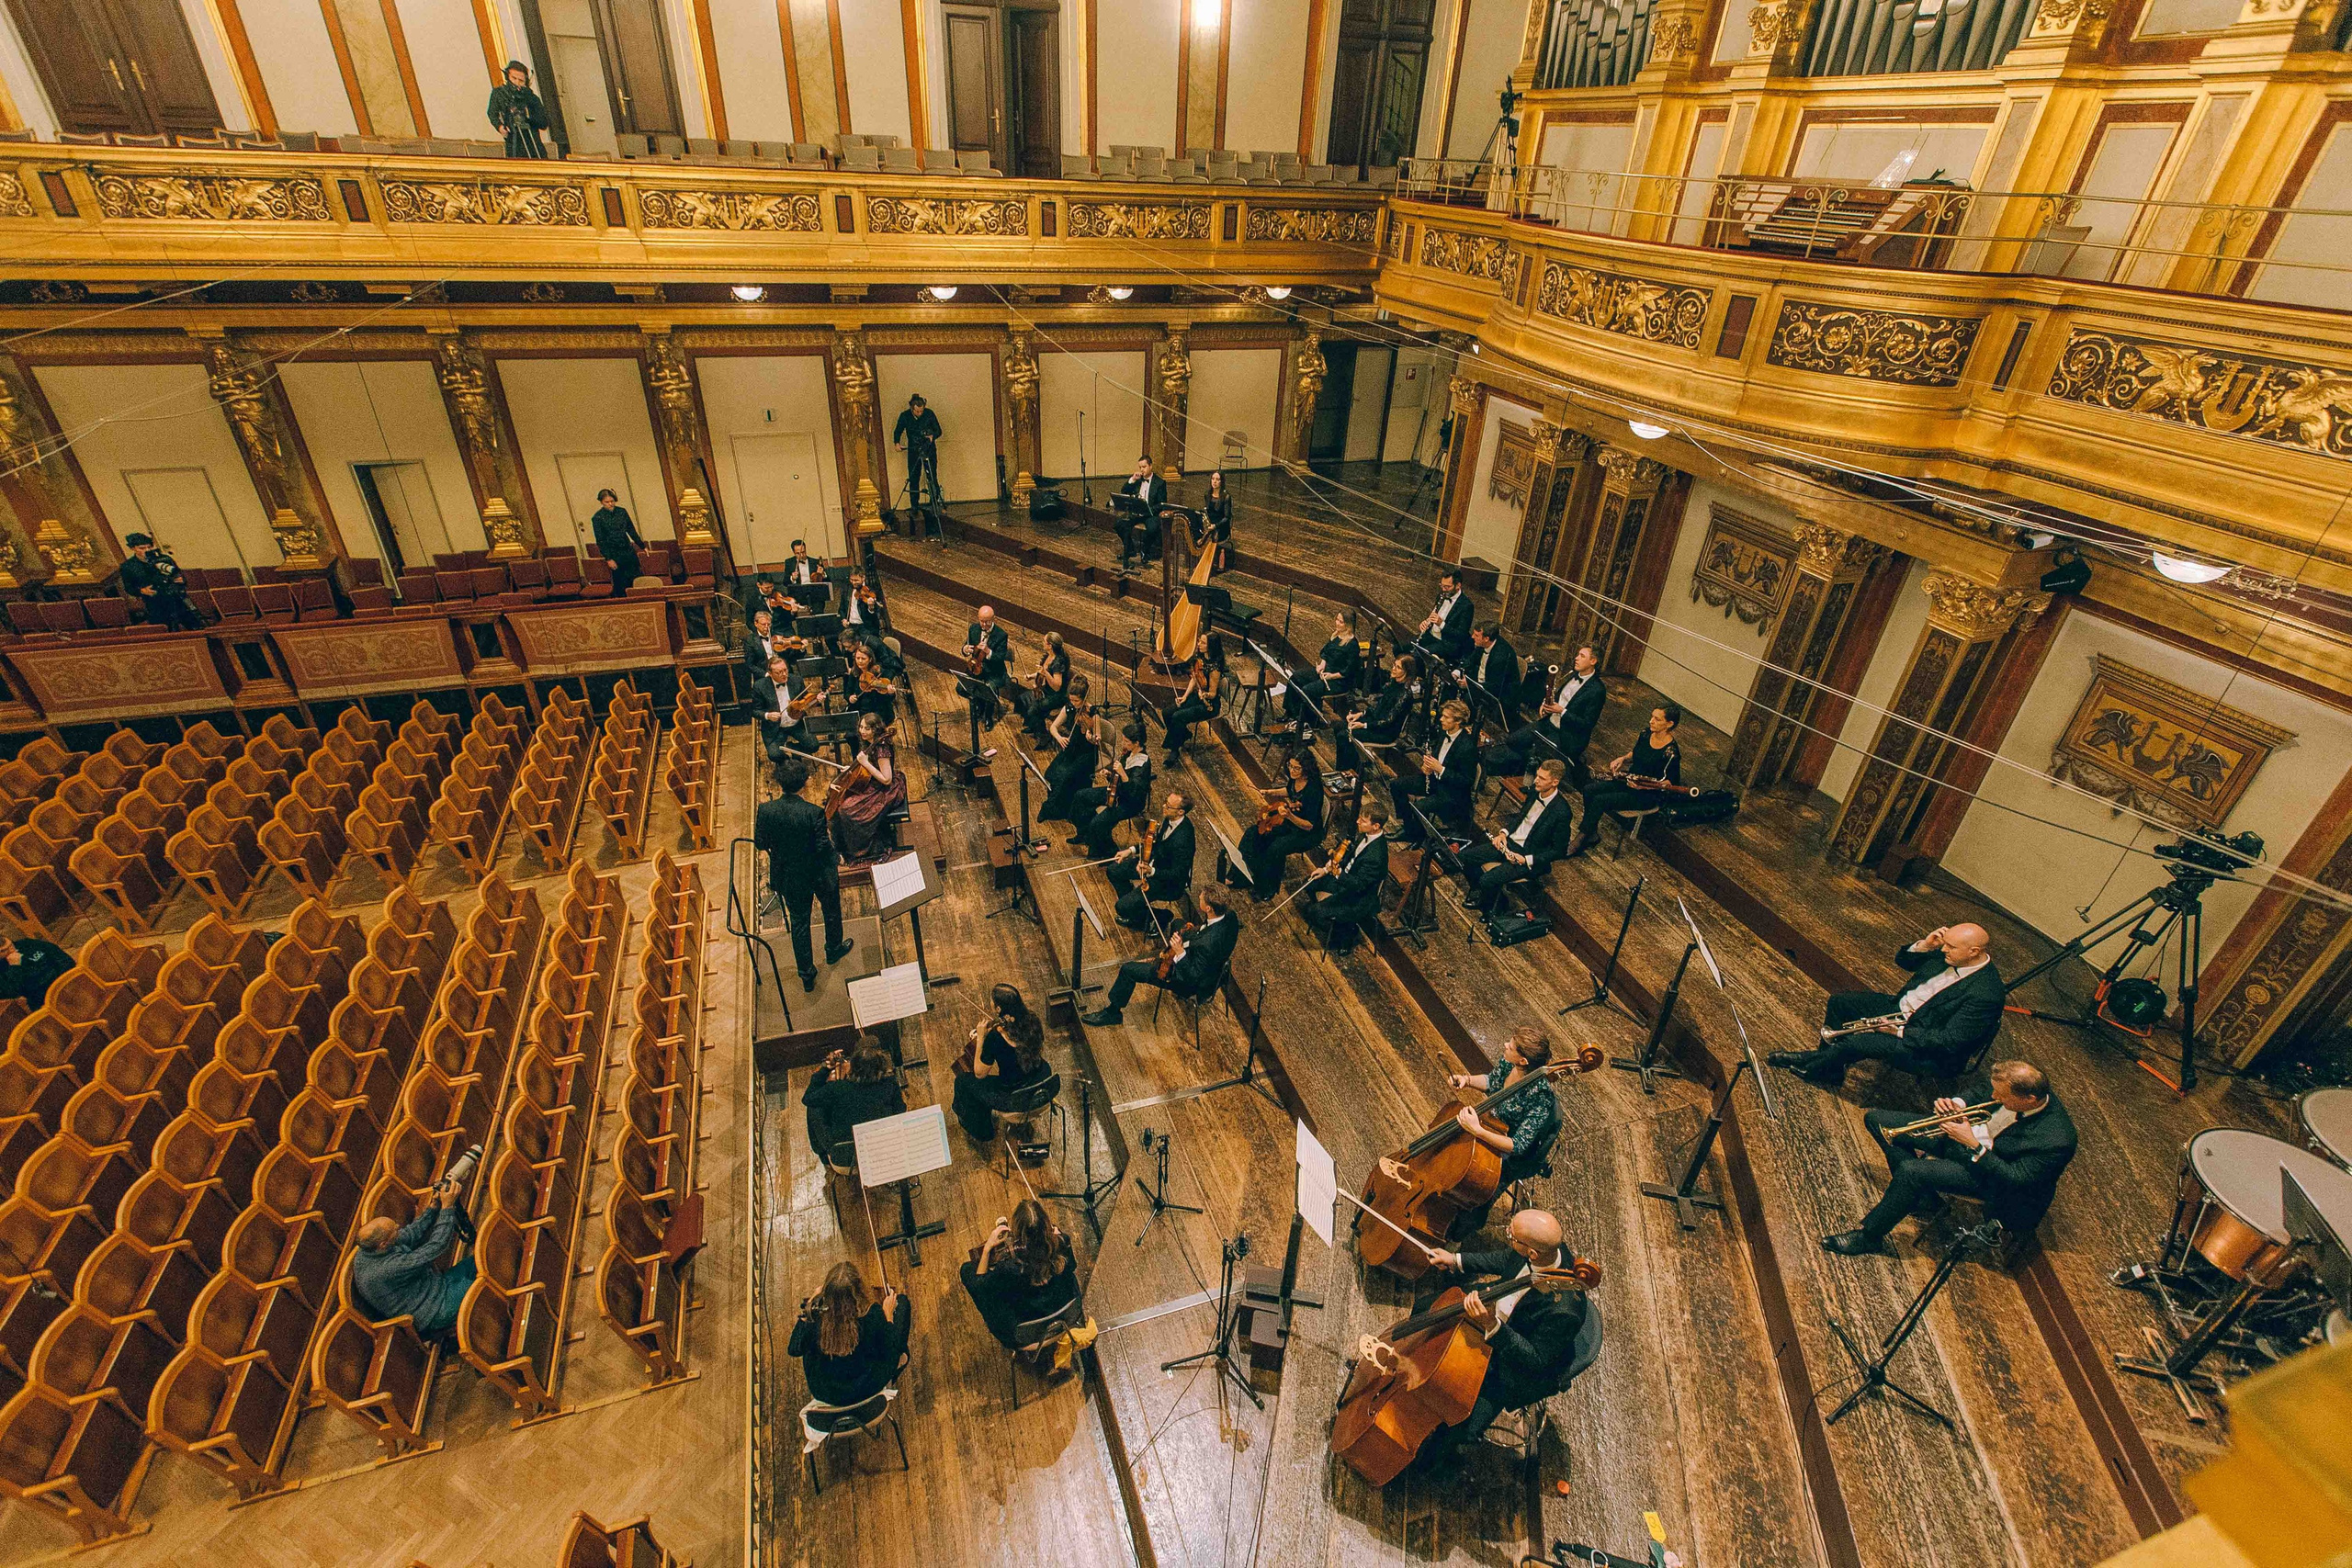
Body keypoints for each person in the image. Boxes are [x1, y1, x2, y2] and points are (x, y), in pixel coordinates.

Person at [1822, 1059, 2078, 1257]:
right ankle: (1921, 1197)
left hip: (1991, 1176)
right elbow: (1980, 1091)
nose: (1994, 1098)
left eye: (2002, 1097)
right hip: (1967, 1140)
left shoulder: (2057, 1140)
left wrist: (1974, 1145)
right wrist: (1957, 1103)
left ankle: (1870, 1237)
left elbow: (2016, 1178)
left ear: (2029, 1100)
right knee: (1878, 1120)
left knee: (1913, 1172)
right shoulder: (2018, 1087)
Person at [1409, 1209, 1590, 1470]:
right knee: (1428, 1308)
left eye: (1511, 1236)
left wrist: (1492, 1326)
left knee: (1460, 1422)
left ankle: (1433, 1466)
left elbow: (1534, 1358)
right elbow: (1507, 1259)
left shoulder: (1564, 1313)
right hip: (1496, 1310)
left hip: (1511, 1364)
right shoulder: (1543, 1251)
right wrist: (1455, 1259)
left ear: (1533, 1254)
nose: (1508, 1237)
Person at [1770, 924, 2005, 1087]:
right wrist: (1925, 944)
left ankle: (1817, 1064)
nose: (1944, 949)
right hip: (1900, 1009)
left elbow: (1951, 1041)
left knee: (1859, 1041)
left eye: (1950, 947)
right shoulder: (1949, 951)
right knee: (1841, 1002)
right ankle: (1828, 1066)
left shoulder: (1986, 994)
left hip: (1924, 1043)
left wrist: (1899, 1031)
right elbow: (1903, 961)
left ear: (1974, 951)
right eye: (1945, 944)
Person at [1437, 1027, 1561, 1237]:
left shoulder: (1541, 1098)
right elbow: (1492, 1082)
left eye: (1511, 1046)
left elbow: (1518, 1145)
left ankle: (1457, 1237)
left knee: (1477, 1196)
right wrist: (1467, 1080)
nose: (1505, 1046)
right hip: (1489, 1126)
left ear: (1523, 1061)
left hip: (1511, 1154)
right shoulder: (1509, 1063)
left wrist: (1477, 1131)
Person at [754, 757, 857, 990]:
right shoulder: (813, 813)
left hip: (789, 875)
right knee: (831, 910)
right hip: (818, 872)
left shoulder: (766, 810)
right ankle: (833, 950)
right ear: (804, 784)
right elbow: (822, 846)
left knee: (800, 923)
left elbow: (760, 843)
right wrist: (838, 858)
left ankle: (807, 975)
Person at [1082, 882, 1238, 1026]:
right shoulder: (1230, 916)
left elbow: (1192, 976)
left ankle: (1112, 1013)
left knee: (1128, 970)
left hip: (1192, 983)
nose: (1199, 897)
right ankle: (1166, 945)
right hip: (1210, 964)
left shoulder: (1208, 944)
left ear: (1209, 908)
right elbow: (1208, 938)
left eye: (1202, 897)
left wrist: (1180, 952)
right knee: (1177, 923)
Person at [351, 1168, 475, 1346]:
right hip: (434, 1309)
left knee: (482, 1260)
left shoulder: (374, 1247)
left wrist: (434, 1208)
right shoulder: (386, 1269)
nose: (399, 1227)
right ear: (383, 1244)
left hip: (438, 1285)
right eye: (394, 1230)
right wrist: (447, 1208)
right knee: (485, 1286)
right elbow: (436, 1247)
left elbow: (411, 1233)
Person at [1566, 703, 1696, 857]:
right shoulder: (1646, 733)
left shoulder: (1671, 752)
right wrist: (1622, 759)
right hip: (1630, 780)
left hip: (1647, 794)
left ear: (1669, 724)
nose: (1651, 721)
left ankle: (1581, 838)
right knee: (1589, 789)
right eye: (1652, 717)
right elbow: (1636, 752)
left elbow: (1669, 783)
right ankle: (1591, 832)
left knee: (1600, 800)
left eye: (1657, 719)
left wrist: (1645, 787)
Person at [1456, 758, 1577, 916]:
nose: (1536, 780)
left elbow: (1559, 850)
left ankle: (1493, 905)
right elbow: (1520, 816)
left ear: (1555, 782)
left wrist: (1526, 860)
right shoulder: (1535, 791)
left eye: (1542, 778)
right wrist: (1503, 833)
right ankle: (1480, 890)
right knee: (1464, 857)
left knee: (1489, 879)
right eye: (1537, 775)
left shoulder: (1562, 812)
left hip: (1528, 857)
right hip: (1510, 843)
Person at [961, 1200, 1079, 1348]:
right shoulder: (1062, 1242)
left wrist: (987, 1249)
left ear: (1017, 1232)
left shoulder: (1009, 1268)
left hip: (1025, 1336)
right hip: (1065, 1318)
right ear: (1046, 1225)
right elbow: (1072, 1266)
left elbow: (980, 1288)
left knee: (966, 1270)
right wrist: (1060, 1237)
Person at [790, 1261, 909, 1408]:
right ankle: (893, 1375)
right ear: (859, 1291)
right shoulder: (872, 1315)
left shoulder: (816, 1319)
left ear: (826, 1291)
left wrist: (810, 1308)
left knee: (809, 1347)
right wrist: (888, 1316)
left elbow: (794, 1349)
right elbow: (889, 1348)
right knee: (902, 1303)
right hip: (868, 1388)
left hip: (826, 1393)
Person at [1485, 646, 1603, 783]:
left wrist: (1561, 711)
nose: (1576, 658)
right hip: (1549, 723)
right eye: (1578, 654)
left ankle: (1531, 779)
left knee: (1543, 757)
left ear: (1593, 661)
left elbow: (1586, 724)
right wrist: (1545, 704)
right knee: (1513, 740)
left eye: (1582, 656)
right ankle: (1520, 770)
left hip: (1566, 735)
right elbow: (1559, 698)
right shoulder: (1573, 674)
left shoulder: (1597, 691)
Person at [950, 984, 1052, 1142]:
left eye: (992, 1002)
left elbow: (979, 1073)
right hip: (1041, 1083)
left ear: (998, 1009)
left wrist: (982, 1038)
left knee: (963, 1082)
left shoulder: (996, 1038)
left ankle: (983, 1132)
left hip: (1014, 1095)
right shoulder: (1033, 1021)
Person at [1232, 749, 1325, 901]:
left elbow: (1309, 825)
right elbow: (1289, 790)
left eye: (1296, 768)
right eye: (1290, 765)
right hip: (1291, 822)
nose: (1292, 770)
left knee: (1276, 848)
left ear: (1306, 768)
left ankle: (1268, 889)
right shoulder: (1295, 778)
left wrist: (1289, 815)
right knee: (1255, 832)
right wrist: (1270, 791)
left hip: (1307, 833)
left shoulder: (1314, 790)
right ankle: (1242, 874)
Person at [1300, 800, 1390, 953]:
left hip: (1358, 896)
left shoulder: (1376, 856)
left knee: (1313, 913)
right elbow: (1348, 856)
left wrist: (1338, 874)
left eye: (1363, 820)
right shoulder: (1366, 835)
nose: (1357, 821)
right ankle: (1332, 915)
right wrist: (1325, 869)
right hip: (1344, 879)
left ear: (1376, 826)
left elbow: (1358, 885)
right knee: (1309, 883)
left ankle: (1347, 933)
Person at [1388, 698, 1477, 845]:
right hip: (1435, 780)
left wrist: (1440, 769)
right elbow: (1437, 757)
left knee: (1420, 806)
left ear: (1458, 721)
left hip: (1451, 792)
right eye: (1442, 715)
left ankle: (1418, 836)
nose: (1441, 719)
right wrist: (1427, 767)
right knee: (1397, 785)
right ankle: (1409, 828)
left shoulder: (1468, 747)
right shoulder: (1444, 733)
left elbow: (1466, 781)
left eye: (1446, 717)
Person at [1105, 789, 1193, 931]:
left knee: (1121, 907)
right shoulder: (1170, 818)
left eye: (1169, 806)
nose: (1164, 806)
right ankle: (1133, 909)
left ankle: (1162, 916)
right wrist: (1130, 850)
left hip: (1166, 880)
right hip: (1153, 863)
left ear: (1181, 812)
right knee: (1113, 870)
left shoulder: (1184, 840)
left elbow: (1178, 874)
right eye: (1166, 802)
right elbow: (1155, 843)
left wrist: (1151, 871)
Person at [804, 1041, 905, 1159]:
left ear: (852, 1066)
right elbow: (900, 1110)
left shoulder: (837, 1088)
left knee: (814, 1108)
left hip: (846, 1156)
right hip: (883, 1149)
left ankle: (824, 1156)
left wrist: (825, 1070)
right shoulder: (890, 1084)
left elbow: (807, 1099)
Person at [830, 712, 907, 863]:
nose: (862, 731)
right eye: (861, 727)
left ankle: (866, 849)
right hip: (871, 782)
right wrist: (853, 768)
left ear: (876, 729)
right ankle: (843, 844)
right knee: (840, 800)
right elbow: (868, 765)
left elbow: (886, 779)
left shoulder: (882, 748)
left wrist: (864, 763)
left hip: (884, 789)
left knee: (847, 810)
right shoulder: (871, 741)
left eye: (867, 729)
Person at [1069, 721, 1151, 861]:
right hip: (1116, 791)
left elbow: (1134, 792)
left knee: (1099, 822)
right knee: (1080, 796)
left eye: (1126, 741)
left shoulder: (1143, 763)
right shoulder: (1129, 753)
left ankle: (1108, 852)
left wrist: (1122, 773)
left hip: (1129, 802)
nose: (1123, 744)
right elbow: (1118, 775)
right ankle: (1084, 834)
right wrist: (1110, 774)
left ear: (1136, 743)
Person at [1284, 612, 1362, 730]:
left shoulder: (1352, 645)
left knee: (1309, 690)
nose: (1337, 623)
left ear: (1348, 625)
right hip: (1325, 672)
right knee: (1296, 677)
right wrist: (1321, 664)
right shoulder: (1336, 636)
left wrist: (1331, 676)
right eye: (1337, 619)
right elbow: (1326, 652)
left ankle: (1310, 722)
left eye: (1341, 622)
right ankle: (1292, 712)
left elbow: (1348, 671)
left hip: (1338, 680)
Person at [1038, 677, 1098, 824]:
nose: (1074, 704)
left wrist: (1091, 736)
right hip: (1071, 749)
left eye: (1077, 701)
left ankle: (1053, 809)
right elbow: (1053, 727)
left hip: (1087, 754)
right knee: (1052, 773)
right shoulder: (1069, 708)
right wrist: (1059, 738)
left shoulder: (1093, 713)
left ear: (1084, 698)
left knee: (1066, 777)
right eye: (1072, 700)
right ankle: (1059, 807)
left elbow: (1097, 739)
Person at [119, 534, 203, 632]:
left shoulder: (164, 559)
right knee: (165, 631)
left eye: (149, 547)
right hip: (155, 603)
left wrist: (181, 580)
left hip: (177, 598)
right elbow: (129, 587)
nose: (146, 550)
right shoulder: (128, 566)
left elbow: (179, 574)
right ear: (133, 548)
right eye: (141, 548)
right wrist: (141, 590)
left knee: (196, 627)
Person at [1161, 637, 1224, 756]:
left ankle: (1174, 751)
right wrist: (1185, 696)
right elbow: (1194, 679)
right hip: (1197, 697)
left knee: (1178, 716)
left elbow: (1213, 694)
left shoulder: (1215, 668)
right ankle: (1184, 734)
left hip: (1208, 705)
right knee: (1167, 712)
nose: (1199, 644)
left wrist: (1205, 694)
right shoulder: (1200, 660)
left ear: (1211, 646)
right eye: (1200, 641)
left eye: (1203, 643)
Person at [891, 394, 944, 536]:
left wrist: (932, 436)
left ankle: (934, 502)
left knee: (931, 475)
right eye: (917, 411)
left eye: (921, 411)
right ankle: (915, 505)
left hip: (929, 450)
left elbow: (939, 430)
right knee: (914, 477)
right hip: (914, 450)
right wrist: (897, 443)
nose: (920, 414)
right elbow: (898, 430)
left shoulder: (929, 414)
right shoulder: (905, 416)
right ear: (912, 408)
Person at [752, 653, 818, 765]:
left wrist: (816, 700)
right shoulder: (760, 686)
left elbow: (806, 700)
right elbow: (754, 711)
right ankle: (788, 761)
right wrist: (768, 715)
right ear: (770, 673)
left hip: (797, 723)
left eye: (785, 670)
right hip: (776, 728)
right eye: (779, 672)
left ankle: (794, 749)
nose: (784, 675)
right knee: (774, 755)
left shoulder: (796, 680)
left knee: (813, 745)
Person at [1457, 623, 1521, 728]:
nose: (1473, 637)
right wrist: (1458, 671)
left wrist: (1470, 685)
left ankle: (1467, 726)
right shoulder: (1484, 644)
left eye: (1476, 635)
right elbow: (1471, 660)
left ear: (1486, 638)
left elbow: (1495, 686)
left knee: (1469, 697)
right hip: (1483, 678)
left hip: (1500, 693)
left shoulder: (1500, 657)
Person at [1351, 655, 1420, 748]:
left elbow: (1388, 721)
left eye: (1398, 667)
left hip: (1385, 733)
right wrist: (1360, 714)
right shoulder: (1392, 683)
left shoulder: (1405, 695)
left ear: (1406, 672)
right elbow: (1378, 706)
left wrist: (1364, 725)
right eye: (1394, 665)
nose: (1393, 669)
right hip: (1375, 723)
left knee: (1346, 733)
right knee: (1342, 725)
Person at [486, 60, 549, 159]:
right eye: (514, 78)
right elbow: (492, 113)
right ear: (508, 77)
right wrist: (500, 127)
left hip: (534, 144)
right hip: (513, 143)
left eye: (521, 81)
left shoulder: (532, 98)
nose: (517, 83)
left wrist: (528, 116)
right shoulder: (499, 93)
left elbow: (544, 123)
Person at [1414, 570, 1475, 670]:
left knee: (1419, 654)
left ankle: (1420, 681)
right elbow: (1434, 615)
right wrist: (1426, 622)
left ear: (1458, 585)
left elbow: (1461, 635)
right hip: (1431, 636)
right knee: (1401, 647)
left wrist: (1441, 624)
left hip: (1447, 643)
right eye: (1442, 586)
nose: (1444, 589)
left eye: (1447, 587)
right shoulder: (1442, 595)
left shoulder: (1467, 606)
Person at [590, 488, 644, 596]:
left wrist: (642, 545)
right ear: (601, 502)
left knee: (637, 578)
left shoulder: (622, 512)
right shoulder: (597, 518)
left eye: (612, 501)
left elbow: (631, 530)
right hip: (614, 553)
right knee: (621, 583)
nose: (610, 504)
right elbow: (600, 541)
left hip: (627, 549)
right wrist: (608, 559)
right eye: (607, 502)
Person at [1115, 456, 1166, 568]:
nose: (1142, 470)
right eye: (1140, 467)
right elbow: (1124, 491)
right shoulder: (1137, 480)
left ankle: (1145, 550)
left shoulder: (1160, 483)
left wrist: (1148, 510)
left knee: (1152, 528)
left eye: (1144, 467)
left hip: (1150, 514)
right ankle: (1130, 550)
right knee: (1119, 524)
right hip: (1137, 512)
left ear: (1151, 466)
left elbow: (1161, 504)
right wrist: (1132, 479)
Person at [1021, 630, 1071, 742]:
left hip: (1057, 696)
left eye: (1044, 641)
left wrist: (1045, 673)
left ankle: (1043, 735)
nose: (1042, 643)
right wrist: (1032, 676)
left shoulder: (1058, 662)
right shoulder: (1049, 656)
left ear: (1050, 646)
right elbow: (1043, 672)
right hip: (1048, 690)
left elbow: (1057, 686)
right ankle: (1034, 726)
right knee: (1023, 699)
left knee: (1034, 709)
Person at [0, 933, 71, 1007]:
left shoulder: (27, 944)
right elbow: (13, 991)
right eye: (4, 950)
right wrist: (14, 967)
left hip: (66, 979)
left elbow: (59, 954)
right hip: (44, 998)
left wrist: (65, 978)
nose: (11, 950)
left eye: (11, 945)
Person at [847, 642, 898, 723]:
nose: (860, 661)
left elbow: (888, 699)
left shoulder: (880, 672)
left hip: (879, 710)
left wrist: (891, 693)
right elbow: (847, 692)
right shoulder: (854, 673)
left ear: (870, 659)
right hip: (861, 709)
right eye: (858, 658)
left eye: (863, 659)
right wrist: (850, 698)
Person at [1199, 469, 1233, 574]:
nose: (1214, 481)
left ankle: (1219, 563)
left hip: (1221, 526)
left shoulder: (1226, 497)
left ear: (1221, 482)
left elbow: (1227, 517)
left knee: (1214, 536)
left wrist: (1215, 526)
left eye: (1217, 479)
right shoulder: (1207, 494)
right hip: (1211, 524)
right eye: (1213, 479)